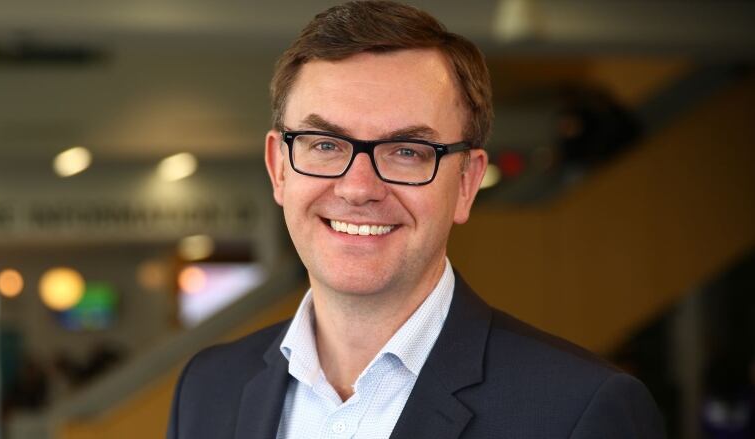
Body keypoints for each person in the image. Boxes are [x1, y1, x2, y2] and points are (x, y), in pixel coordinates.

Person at [167, 2, 666, 438]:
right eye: (324, 145)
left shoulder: (579, 410)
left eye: (407, 150)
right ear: (279, 168)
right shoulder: (208, 388)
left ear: (467, 183)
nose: (359, 187)